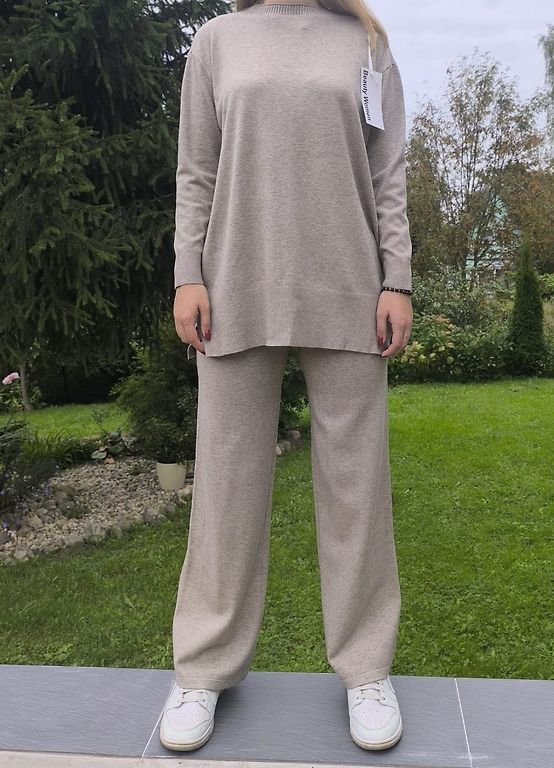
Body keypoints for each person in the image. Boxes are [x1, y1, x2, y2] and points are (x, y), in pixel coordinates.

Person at [160, 0, 413, 753]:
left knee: (357, 486)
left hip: (349, 285)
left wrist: (396, 277)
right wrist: (187, 273)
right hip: (235, 284)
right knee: (226, 485)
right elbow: (197, 169)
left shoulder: (365, 42)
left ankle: (366, 669)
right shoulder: (217, 42)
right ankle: (202, 670)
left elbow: (387, 169)